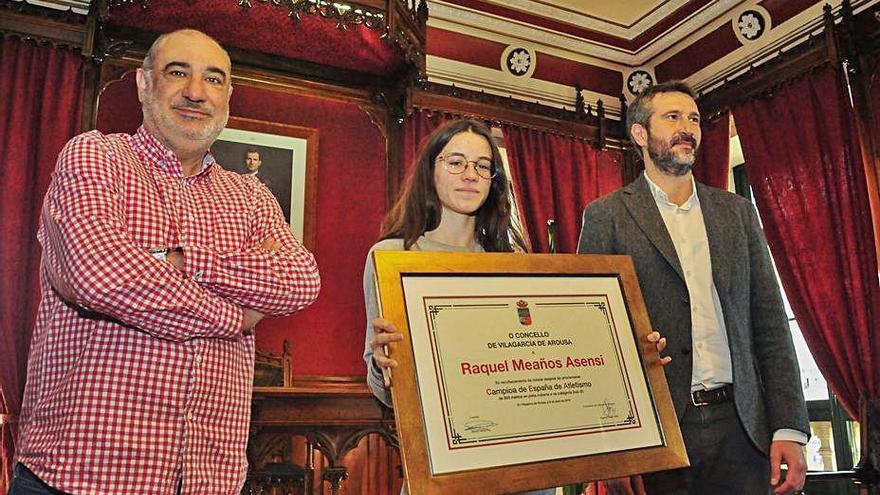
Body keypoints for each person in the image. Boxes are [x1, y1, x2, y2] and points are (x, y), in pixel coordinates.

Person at [11, 29, 320, 495]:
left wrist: (180, 260)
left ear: (229, 96)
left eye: (213, 79)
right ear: (142, 84)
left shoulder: (252, 196)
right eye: (178, 72)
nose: (196, 92)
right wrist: (234, 315)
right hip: (78, 476)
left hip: (208, 478)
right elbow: (98, 275)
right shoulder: (96, 156)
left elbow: (300, 281)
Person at [362, 119, 669, 495]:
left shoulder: (515, 261)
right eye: (455, 162)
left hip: (528, 476)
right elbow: (384, 392)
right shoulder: (393, 259)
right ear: (431, 169)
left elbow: (552, 355)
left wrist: (630, 354)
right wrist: (383, 365)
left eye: (482, 166)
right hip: (445, 473)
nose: (470, 175)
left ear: (494, 180)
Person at [577, 80, 809, 495]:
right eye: (672, 117)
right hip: (658, 430)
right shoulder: (605, 217)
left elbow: (770, 322)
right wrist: (607, 447)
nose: (687, 127)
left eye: (694, 119)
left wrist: (789, 426)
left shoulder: (737, 213)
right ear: (640, 134)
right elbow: (590, 336)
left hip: (743, 430)